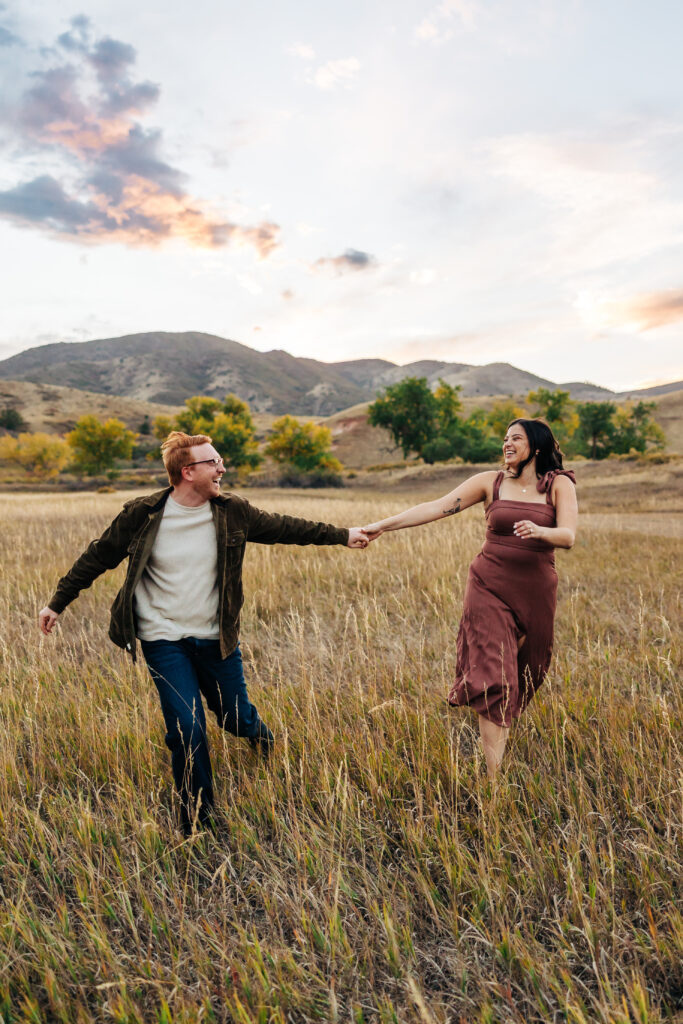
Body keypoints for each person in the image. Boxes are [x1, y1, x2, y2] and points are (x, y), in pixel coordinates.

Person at [39, 431, 370, 834]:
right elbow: (98, 556)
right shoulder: (141, 515)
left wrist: (341, 535)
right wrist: (58, 602)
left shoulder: (234, 512)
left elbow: (287, 528)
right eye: (213, 462)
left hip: (216, 638)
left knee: (234, 717)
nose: (222, 468)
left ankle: (259, 735)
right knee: (186, 727)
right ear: (187, 471)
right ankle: (199, 820)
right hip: (163, 639)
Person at [362, 419, 578, 778]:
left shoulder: (559, 484)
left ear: (536, 447)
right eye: (505, 438)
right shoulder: (489, 482)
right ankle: (494, 782)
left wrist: (541, 531)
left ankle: (502, 725)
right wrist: (383, 525)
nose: (507, 444)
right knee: (496, 676)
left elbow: (568, 535)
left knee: (529, 670)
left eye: (516, 439)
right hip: (487, 585)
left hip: (536, 590)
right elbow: (437, 506)